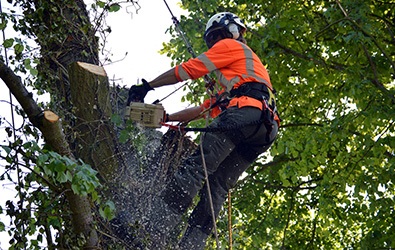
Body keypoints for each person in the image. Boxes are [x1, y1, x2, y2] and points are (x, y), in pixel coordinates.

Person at [128, 12, 280, 250]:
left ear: (224, 33)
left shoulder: (230, 46)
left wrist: (147, 86)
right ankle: (191, 246)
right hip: (265, 128)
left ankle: (153, 228)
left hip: (245, 114)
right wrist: (168, 118)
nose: (214, 46)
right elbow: (205, 109)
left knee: (195, 168)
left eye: (213, 40)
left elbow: (189, 69)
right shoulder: (246, 79)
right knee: (218, 185)